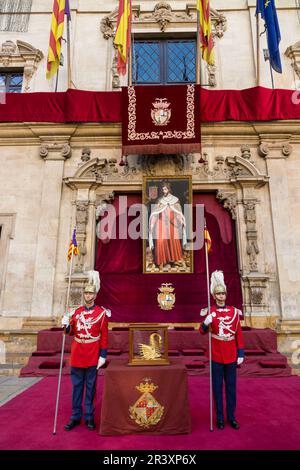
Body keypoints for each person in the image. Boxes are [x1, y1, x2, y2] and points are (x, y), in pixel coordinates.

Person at [62, 270, 111, 431]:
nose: (88, 296)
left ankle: (89, 416)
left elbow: (104, 336)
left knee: (90, 387)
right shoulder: (76, 312)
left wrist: (102, 355)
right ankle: (75, 416)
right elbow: (71, 332)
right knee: (77, 387)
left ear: (95, 295)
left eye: (90, 293)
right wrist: (67, 326)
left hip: (92, 354)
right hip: (77, 353)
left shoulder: (102, 314)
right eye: (86, 293)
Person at [199, 270, 244, 430]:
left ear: (225, 295)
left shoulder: (234, 312)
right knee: (217, 388)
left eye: (223, 294)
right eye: (218, 294)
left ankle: (231, 417)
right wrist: (206, 322)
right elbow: (201, 331)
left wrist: (240, 353)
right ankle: (219, 418)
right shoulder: (210, 312)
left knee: (231, 388)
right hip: (216, 355)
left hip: (231, 354)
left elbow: (238, 333)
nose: (221, 296)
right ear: (214, 296)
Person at [148, 182, 186, 268]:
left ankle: (173, 260)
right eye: (163, 189)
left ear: (169, 189)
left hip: (172, 223)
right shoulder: (160, 200)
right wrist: (152, 223)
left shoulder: (175, 199)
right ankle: (163, 261)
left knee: (173, 241)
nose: (164, 190)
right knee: (161, 241)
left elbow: (178, 212)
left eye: (165, 189)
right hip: (161, 223)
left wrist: (181, 220)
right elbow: (155, 212)